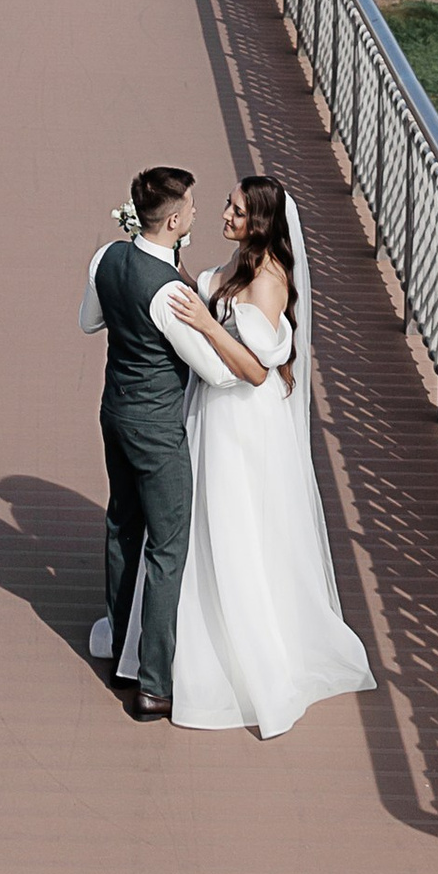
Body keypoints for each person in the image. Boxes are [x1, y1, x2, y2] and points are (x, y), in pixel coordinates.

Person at [122, 173, 376, 739]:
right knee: (201, 526)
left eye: (235, 209)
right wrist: (159, 252)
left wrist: (208, 324)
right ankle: (182, 641)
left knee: (233, 529)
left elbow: (257, 371)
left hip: (239, 423)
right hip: (210, 413)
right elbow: (199, 291)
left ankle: (237, 652)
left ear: (259, 221)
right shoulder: (239, 264)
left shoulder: (268, 280)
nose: (224, 212)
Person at [79, 165, 264, 717]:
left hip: (114, 412)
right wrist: (209, 324)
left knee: (121, 523)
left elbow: (90, 322)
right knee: (167, 547)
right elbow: (220, 373)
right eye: (193, 206)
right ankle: (154, 683)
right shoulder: (171, 295)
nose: (200, 213)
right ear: (177, 219)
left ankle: (118, 648)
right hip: (157, 432)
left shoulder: (106, 257)